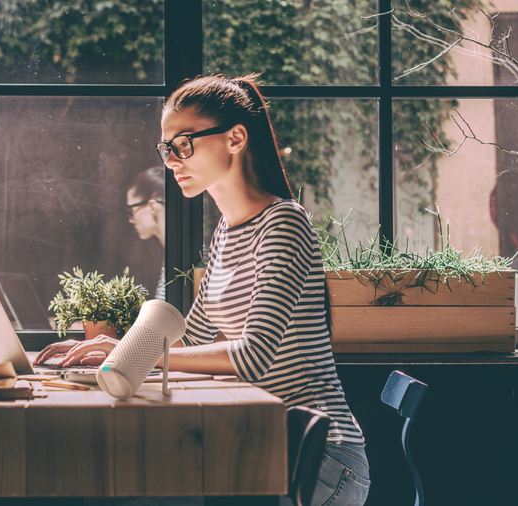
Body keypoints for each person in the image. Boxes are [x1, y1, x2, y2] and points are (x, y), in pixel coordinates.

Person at [34, 74, 370, 506]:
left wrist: (129, 357)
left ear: (235, 138)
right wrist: (112, 348)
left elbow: (252, 357)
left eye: (184, 143)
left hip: (319, 455)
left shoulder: (283, 223)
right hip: (263, 441)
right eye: (166, 147)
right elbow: (188, 338)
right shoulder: (226, 234)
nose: (171, 159)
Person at [126, 166, 167, 300]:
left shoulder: (185, 256)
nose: (131, 220)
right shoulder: (175, 253)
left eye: (132, 210)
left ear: (152, 207)